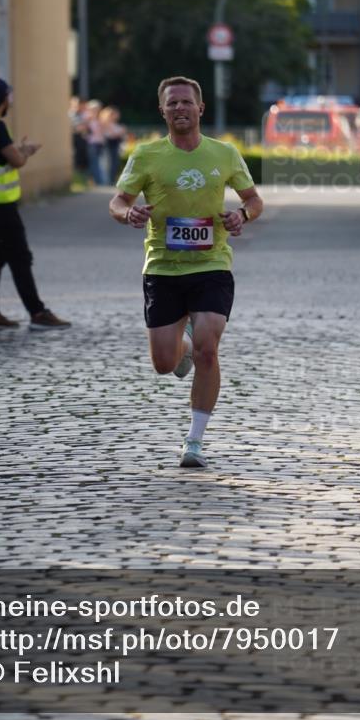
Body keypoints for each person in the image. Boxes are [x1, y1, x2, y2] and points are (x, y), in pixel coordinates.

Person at [109, 76, 263, 469]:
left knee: (209, 348)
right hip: (162, 267)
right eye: (172, 103)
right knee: (164, 364)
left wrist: (241, 215)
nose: (180, 109)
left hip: (212, 264)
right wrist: (128, 213)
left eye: (186, 102)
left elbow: (254, 200)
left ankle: (194, 441)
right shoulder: (145, 156)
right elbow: (118, 200)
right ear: (162, 111)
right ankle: (184, 343)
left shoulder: (225, 154)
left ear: (201, 108)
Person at [0, 78, 71, 330]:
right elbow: (15, 160)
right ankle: (37, 312)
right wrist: (26, 151)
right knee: (20, 258)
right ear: (5, 99)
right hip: (0, 206)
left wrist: (16, 149)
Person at [101, 105, 127, 185]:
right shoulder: (105, 124)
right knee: (109, 163)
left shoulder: (115, 124)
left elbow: (122, 133)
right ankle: (109, 180)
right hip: (109, 144)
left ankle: (112, 179)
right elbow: (113, 134)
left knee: (115, 163)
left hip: (115, 144)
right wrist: (119, 132)